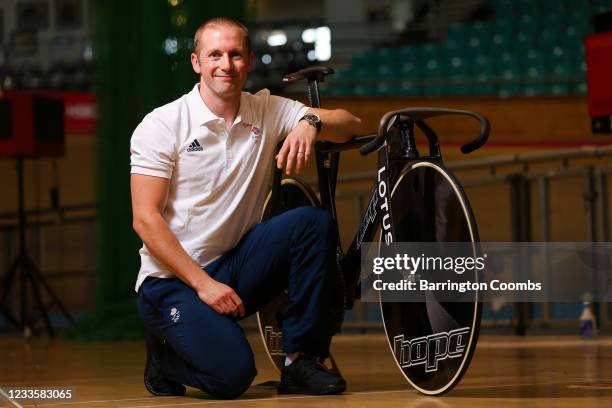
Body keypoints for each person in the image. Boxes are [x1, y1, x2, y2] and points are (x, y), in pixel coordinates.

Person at [130, 17, 364, 399]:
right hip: (171, 282)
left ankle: (300, 361)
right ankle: (163, 357)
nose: (226, 64)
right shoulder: (162, 125)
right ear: (196, 62)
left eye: (236, 54)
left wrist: (309, 123)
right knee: (234, 378)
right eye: (215, 55)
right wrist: (203, 285)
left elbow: (351, 123)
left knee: (311, 223)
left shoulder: (265, 109)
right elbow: (145, 219)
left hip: (233, 266)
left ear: (249, 61)